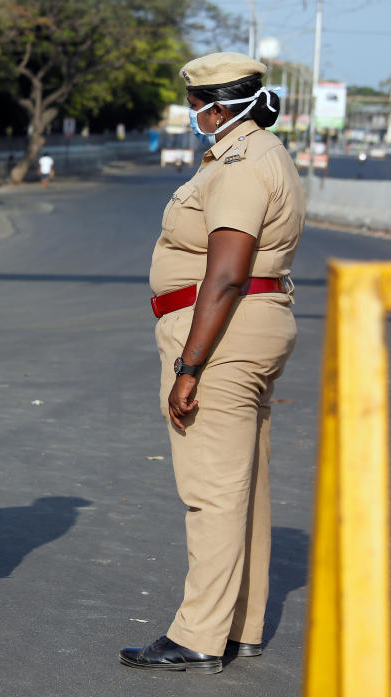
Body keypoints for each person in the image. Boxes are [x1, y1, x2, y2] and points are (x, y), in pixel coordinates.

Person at [119, 52, 303, 673]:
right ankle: (241, 625)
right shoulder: (260, 154)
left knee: (213, 491)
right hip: (249, 328)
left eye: (197, 105)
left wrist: (190, 366)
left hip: (222, 335)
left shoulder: (241, 164)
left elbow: (224, 275)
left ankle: (198, 635)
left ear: (218, 106)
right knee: (244, 485)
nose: (194, 114)